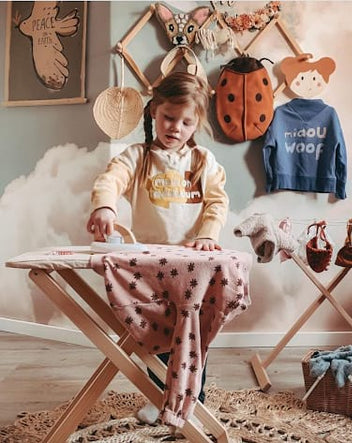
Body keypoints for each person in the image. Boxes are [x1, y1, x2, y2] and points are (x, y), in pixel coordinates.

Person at [86, 72, 229, 424]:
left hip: (193, 265)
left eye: (186, 122)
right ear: (153, 111)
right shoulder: (137, 157)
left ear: (195, 124)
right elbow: (111, 179)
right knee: (158, 336)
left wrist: (209, 233)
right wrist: (105, 205)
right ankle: (160, 395)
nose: (175, 128)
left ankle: (196, 399)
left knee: (192, 334)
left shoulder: (203, 162)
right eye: (169, 117)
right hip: (150, 265)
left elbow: (217, 202)